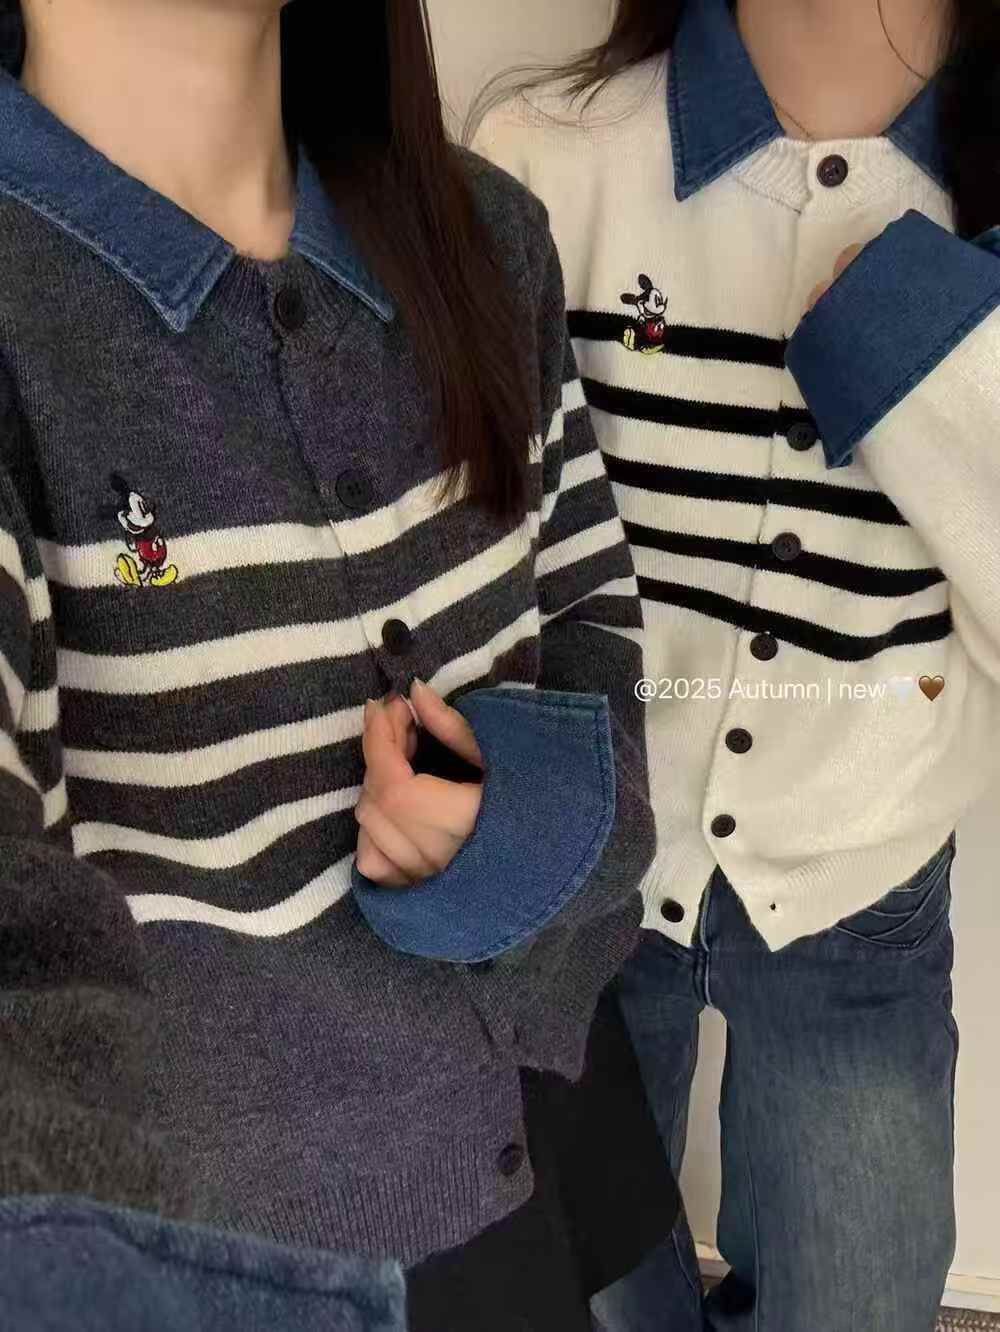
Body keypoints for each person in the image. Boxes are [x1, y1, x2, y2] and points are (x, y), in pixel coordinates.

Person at [0, 0, 679, 1327]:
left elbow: (601, 642)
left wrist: (515, 831)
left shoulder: (486, 236)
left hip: (556, 1126)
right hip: (256, 1262)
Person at [473, 0, 1000, 1328]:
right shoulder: (545, 162)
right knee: (565, 1296)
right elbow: (469, 569)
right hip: (574, 877)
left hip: (863, 883)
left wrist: (924, 343)